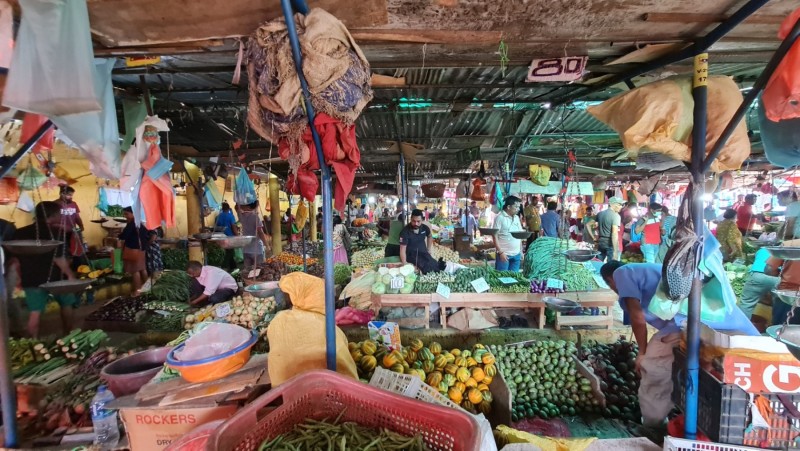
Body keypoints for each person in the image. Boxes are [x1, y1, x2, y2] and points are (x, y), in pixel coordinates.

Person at [600, 261, 682, 427]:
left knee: (652, 366)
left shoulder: (622, 273)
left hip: (684, 322)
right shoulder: (641, 270)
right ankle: (670, 416)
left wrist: (642, 353)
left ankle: (654, 425)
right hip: (689, 321)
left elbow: (638, 318)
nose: (614, 289)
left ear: (610, 279)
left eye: (610, 284)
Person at [8, 202, 77, 337]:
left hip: (31, 278)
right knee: (67, 304)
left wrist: (17, 278)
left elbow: (13, 260)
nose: (60, 216)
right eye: (59, 214)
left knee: (34, 312)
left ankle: (33, 344)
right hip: (56, 278)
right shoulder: (57, 233)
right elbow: (59, 259)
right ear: (52, 215)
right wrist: (70, 275)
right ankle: (68, 335)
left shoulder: (20, 232)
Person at [738, 247, 780, 319]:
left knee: (746, 303)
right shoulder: (785, 251)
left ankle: (741, 326)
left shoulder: (761, 250)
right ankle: (775, 328)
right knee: (779, 306)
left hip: (757, 275)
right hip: (777, 277)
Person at [399, 209, 444, 274]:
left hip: (423, 253)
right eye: (413, 221)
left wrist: (428, 249)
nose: (416, 223)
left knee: (435, 265)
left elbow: (429, 236)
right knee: (426, 268)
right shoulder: (405, 232)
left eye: (418, 221)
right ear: (411, 219)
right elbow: (402, 249)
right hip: (411, 256)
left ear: (422, 220)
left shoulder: (425, 228)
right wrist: (405, 263)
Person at [766, 249, 800, 326]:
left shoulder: (790, 245)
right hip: (788, 295)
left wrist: (784, 274)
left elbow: (768, 269)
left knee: (780, 329)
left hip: (787, 296)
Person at [119, 206, 149, 292]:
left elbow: (124, 236)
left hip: (133, 250)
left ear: (133, 214)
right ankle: (147, 289)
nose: (125, 216)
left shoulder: (132, 224)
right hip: (141, 250)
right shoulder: (139, 223)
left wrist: (118, 234)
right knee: (143, 269)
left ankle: (138, 291)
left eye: (126, 214)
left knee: (135, 271)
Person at [492, 196, 524, 272]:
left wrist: (521, 251)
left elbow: (519, 236)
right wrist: (501, 252)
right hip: (504, 255)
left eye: (519, 207)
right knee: (502, 279)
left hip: (516, 255)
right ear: (509, 207)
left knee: (514, 279)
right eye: (516, 207)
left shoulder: (516, 218)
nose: (518, 209)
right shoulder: (500, 218)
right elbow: (494, 235)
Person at [56, 185, 86, 266]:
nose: (71, 197)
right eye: (69, 195)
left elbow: (77, 216)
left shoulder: (74, 204)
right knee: (63, 251)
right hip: (60, 233)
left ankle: (77, 268)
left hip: (73, 232)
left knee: (76, 250)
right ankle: (65, 270)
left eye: (71, 195)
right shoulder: (55, 204)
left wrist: (81, 225)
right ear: (62, 194)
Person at [239, 201, 270, 268]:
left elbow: (237, 207)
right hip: (257, 249)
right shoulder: (255, 217)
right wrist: (267, 245)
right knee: (259, 270)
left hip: (246, 249)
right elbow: (260, 232)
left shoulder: (241, 216)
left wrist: (239, 201)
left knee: (247, 271)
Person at [596, 197, 624, 262]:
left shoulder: (600, 213)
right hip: (609, 242)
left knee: (599, 262)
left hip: (601, 241)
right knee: (611, 265)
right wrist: (615, 252)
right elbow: (614, 233)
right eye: (619, 204)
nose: (621, 206)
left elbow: (594, 226)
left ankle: (597, 272)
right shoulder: (615, 216)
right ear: (612, 204)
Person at [216, 202, 239, 270]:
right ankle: (224, 266)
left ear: (222, 208)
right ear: (229, 208)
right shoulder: (230, 216)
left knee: (228, 252)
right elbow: (233, 226)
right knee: (229, 252)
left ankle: (233, 266)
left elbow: (216, 227)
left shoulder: (218, 216)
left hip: (221, 236)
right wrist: (237, 235)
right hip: (229, 236)